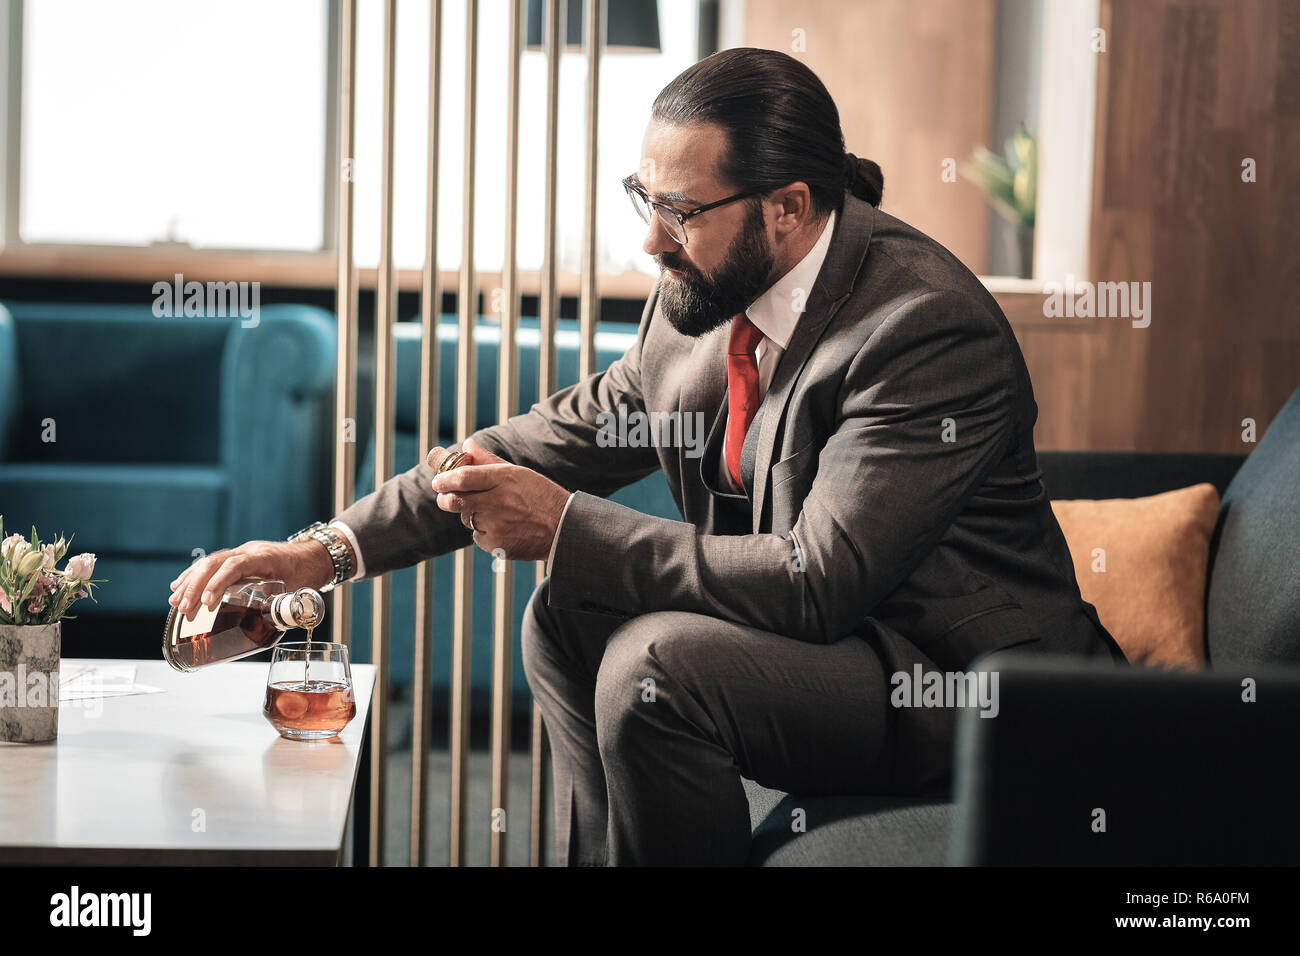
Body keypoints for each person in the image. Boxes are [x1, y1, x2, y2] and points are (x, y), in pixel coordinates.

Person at [171, 47, 1125, 866]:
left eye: (679, 210)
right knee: (567, 613)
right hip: (844, 650)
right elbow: (547, 436)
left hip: (966, 685)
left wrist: (568, 526)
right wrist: (320, 556)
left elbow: (818, 578)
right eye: (644, 198)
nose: (650, 241)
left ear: (788, 208)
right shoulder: (704, 295)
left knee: (654, 666)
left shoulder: (922, 327)